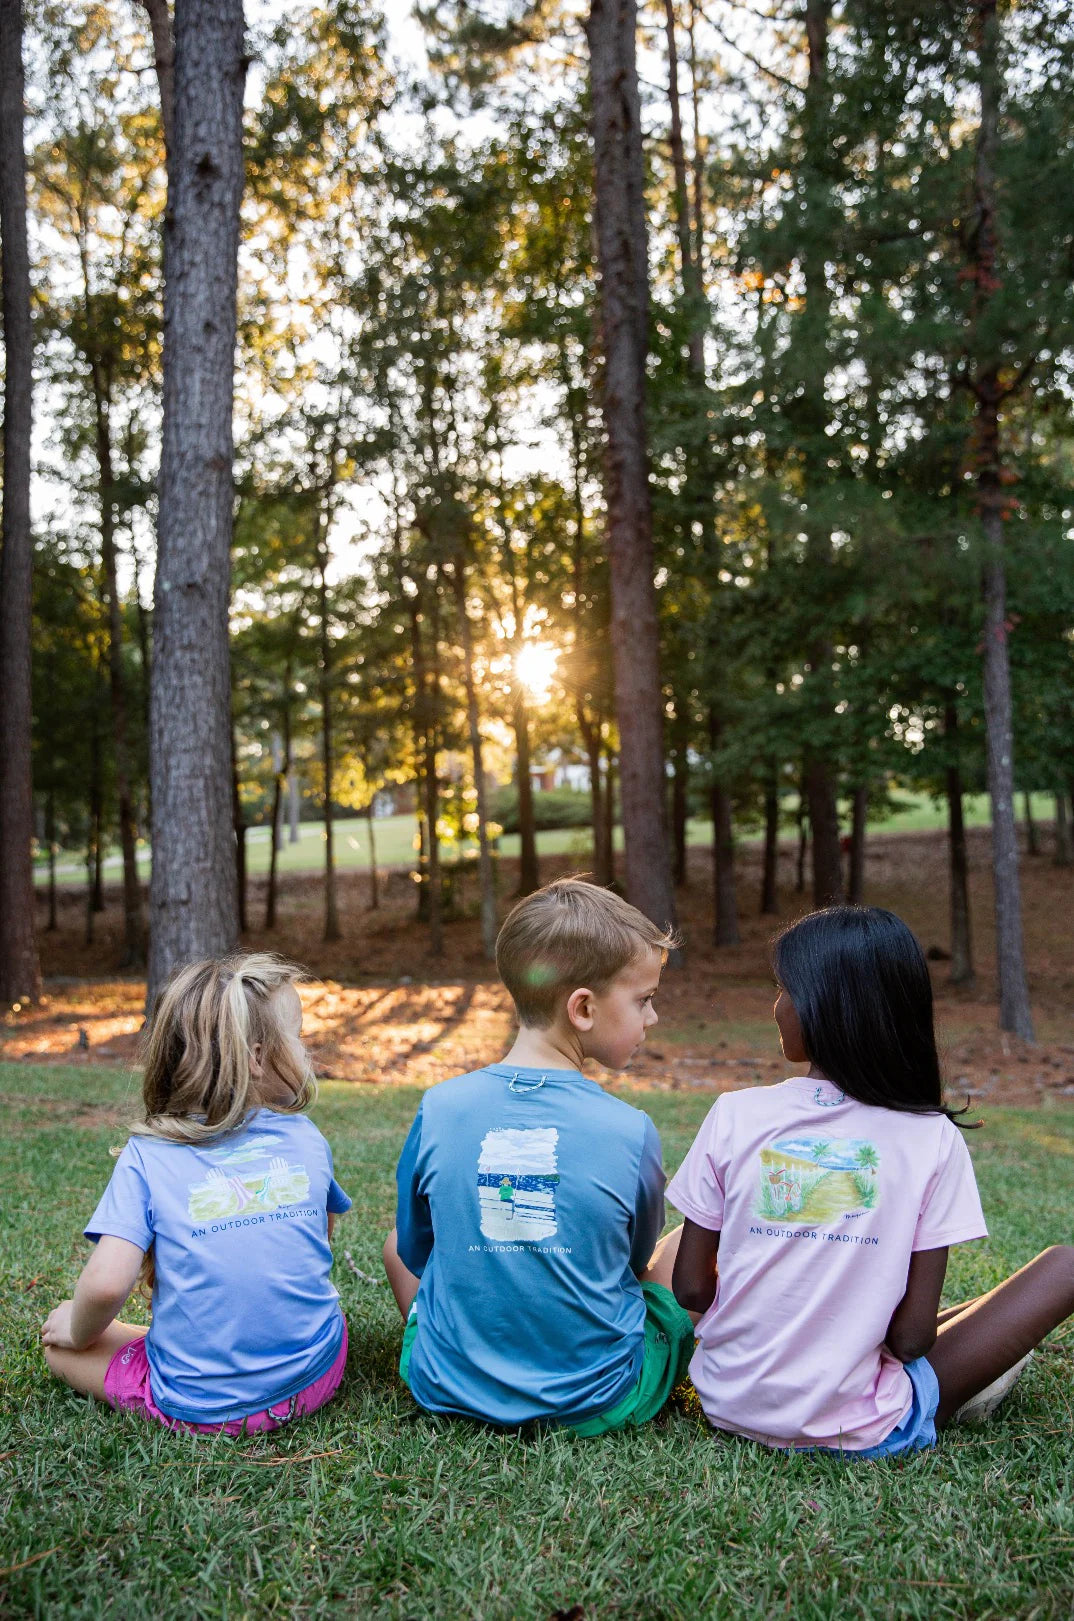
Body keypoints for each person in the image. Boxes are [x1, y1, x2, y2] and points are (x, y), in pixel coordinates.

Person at [669, 905, 1074, 1456]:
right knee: (1064, 1266)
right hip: (860, 1426)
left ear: (819, 1008)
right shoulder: (930, 1138)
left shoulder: (734, 1114)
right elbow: (910, 1341)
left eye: (783, 989)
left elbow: (691, 1289)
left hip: (726, 1403)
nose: (776, 1005)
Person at [382, 877, 695, 1434]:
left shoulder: (440, 1107)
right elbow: (632, 1262)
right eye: (643, 1000)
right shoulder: (631, 1130)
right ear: (582, 1009)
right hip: (600, 1396)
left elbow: (413, 1248)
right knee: (686, 1246)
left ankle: (467, 1361)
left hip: (447, 1386)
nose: (652, 1018)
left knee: (390, 1244)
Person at [41, 954, 352, 1435]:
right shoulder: (304, 1135)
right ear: (256, 1056)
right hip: (318, 1372)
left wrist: (77, 1328)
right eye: (300, 1037)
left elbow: (105, 1287)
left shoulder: (148, 1155)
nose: (307, 1052)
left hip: (204, 1406)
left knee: (57, 1347)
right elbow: (320, 1233)